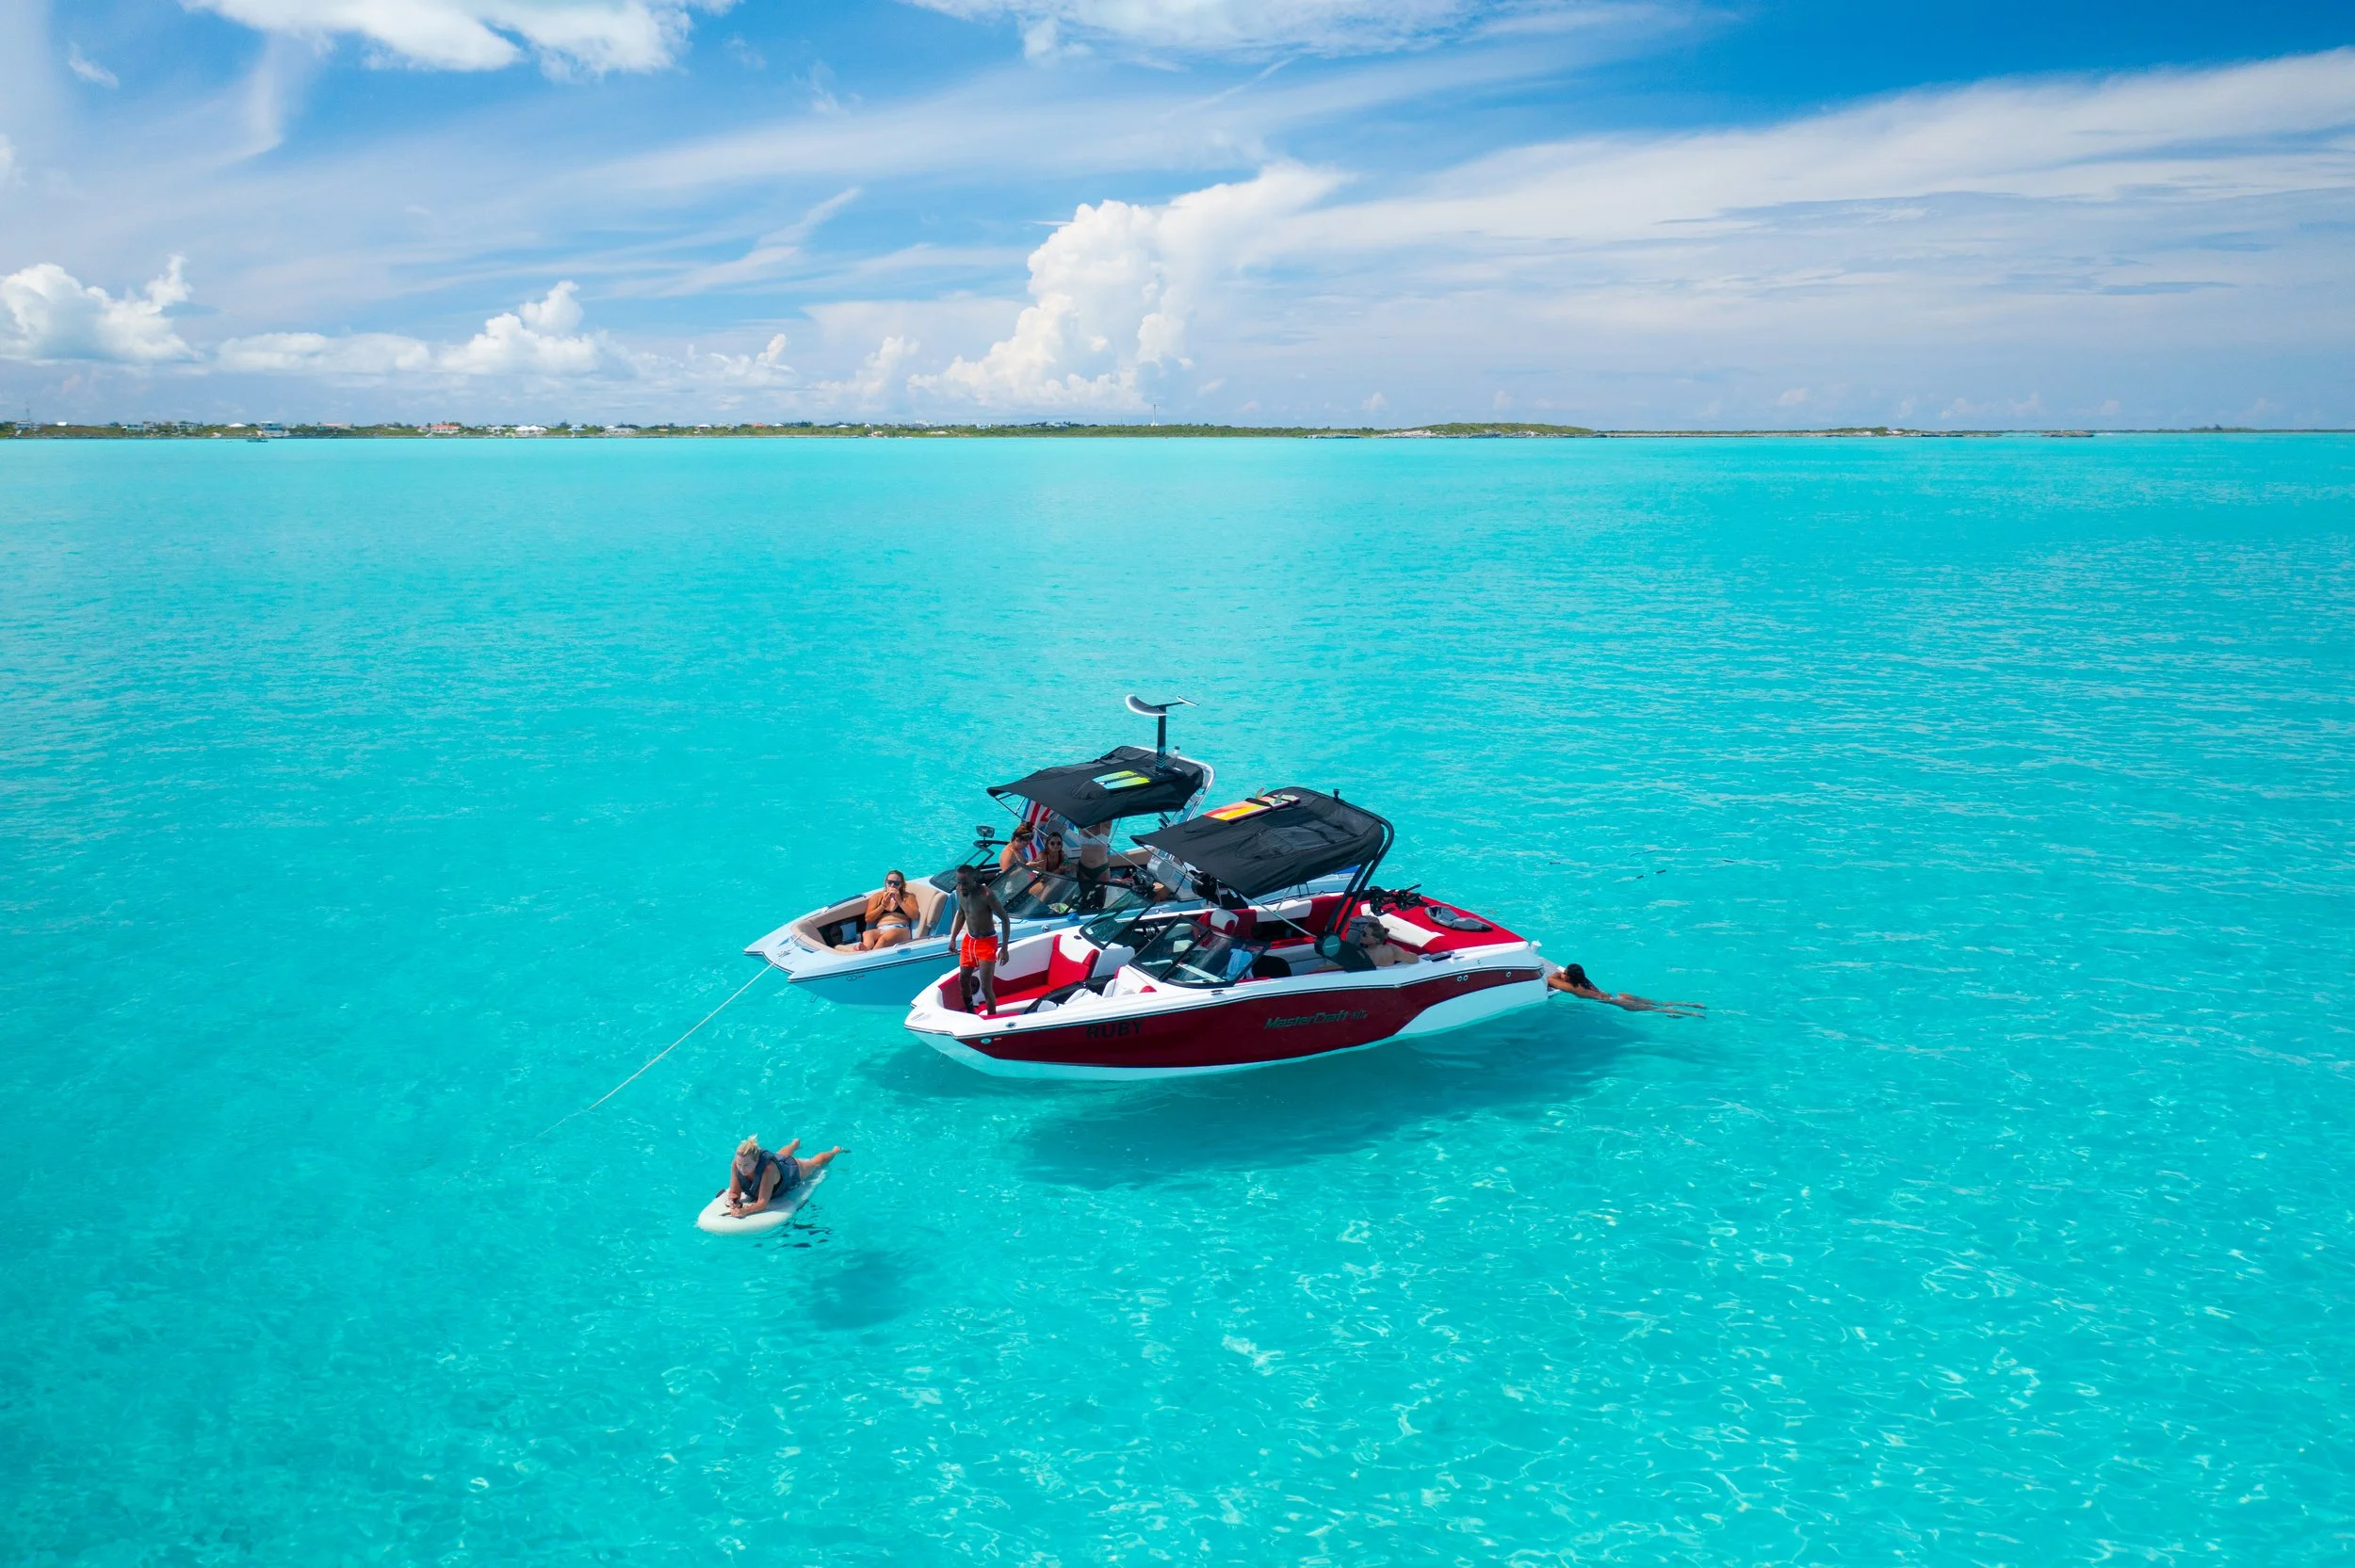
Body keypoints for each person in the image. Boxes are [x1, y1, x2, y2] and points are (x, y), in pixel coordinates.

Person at [947, 863, 1014, 1012]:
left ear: (973, 879)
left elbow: (1005, 919)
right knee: (963, 979)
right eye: (958, 882)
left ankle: (991, 1019)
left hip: (987, 942)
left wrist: (1004, 949)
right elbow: (962, 914)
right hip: (970, 940)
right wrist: (953, 938)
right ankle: (971, 1011)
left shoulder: (987, 895)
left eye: (964, 883)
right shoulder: (959, 891)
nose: (961, 886)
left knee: (985, 987)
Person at [724, 1136, 843, 1218]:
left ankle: (834, 1151)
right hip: (778, 1162)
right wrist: (734, 1201)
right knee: (779, 1155)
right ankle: (794, 1145)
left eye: (746, 1165)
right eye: (740, 1164)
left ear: (757, 1161)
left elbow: (762, 1203)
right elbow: (734, 1192)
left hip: (790, 1171)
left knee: (814, 1163)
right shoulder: (737, 1163)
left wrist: (745, 1210)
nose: (742, 1168)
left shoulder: (768, 1170)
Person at [1548, 962, 1705, 1017]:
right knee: (1660, 1003)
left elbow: (1550, 979)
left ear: (1569, 977)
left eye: (1565, 973)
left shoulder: (1575, 988)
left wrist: (1560, 975)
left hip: (1618, 1001)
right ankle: (1691, 1005)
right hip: (1619, 995)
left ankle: (1690, 1013)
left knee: (1656, 1010)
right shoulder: (1585, 982)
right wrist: (1565, 975)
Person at [857, 870, 920, 950]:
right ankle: (864, 951)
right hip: (881, 929)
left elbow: (914, 915)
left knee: (883, 940)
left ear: (901, 884)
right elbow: (868, 919)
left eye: (896, 883)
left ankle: (867, 954)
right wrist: (883, 905)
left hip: (900, 929)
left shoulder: (908, 897)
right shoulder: (877, 897)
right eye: (890, 882)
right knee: (867, 934)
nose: (892, 885)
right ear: (885, 882)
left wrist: (900, 901)